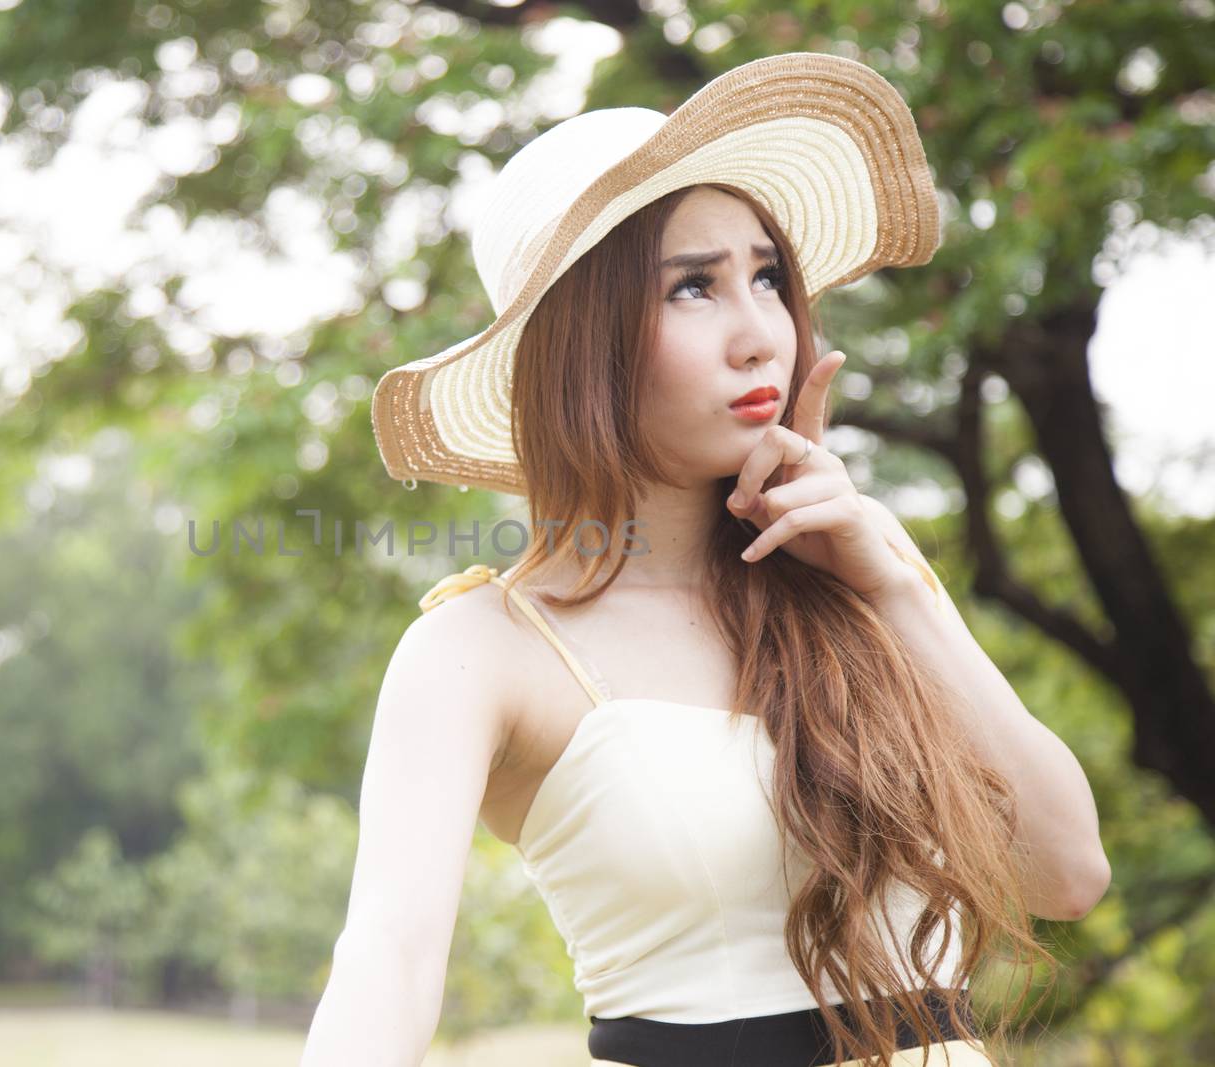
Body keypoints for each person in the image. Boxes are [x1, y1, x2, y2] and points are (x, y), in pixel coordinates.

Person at [299, 52, 1109, 1067]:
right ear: (582, 346)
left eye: (765, 276)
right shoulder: (481, 647)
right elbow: (387, 960)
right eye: (692, 287)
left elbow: (1065, 871)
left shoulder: (862, 582)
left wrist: (893, 583)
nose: (758, 332)